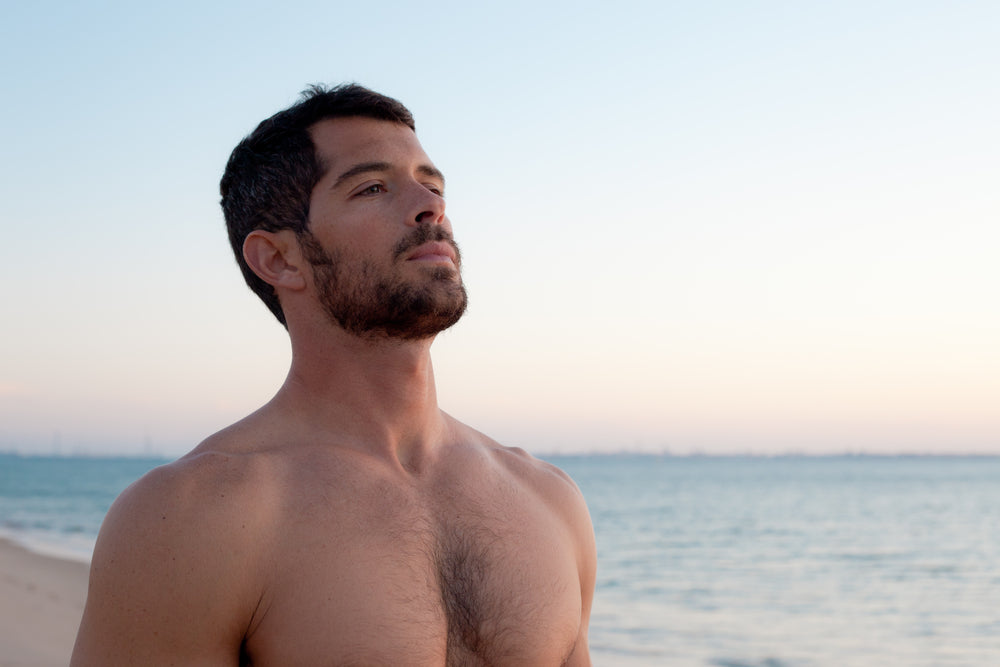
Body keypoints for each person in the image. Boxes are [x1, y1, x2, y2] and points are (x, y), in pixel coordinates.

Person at [72, 84, 597, 666]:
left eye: (434, 183)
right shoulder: (195, 515)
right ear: (279, 258)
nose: (430, 205)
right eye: (373, 187)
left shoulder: (549, 500)